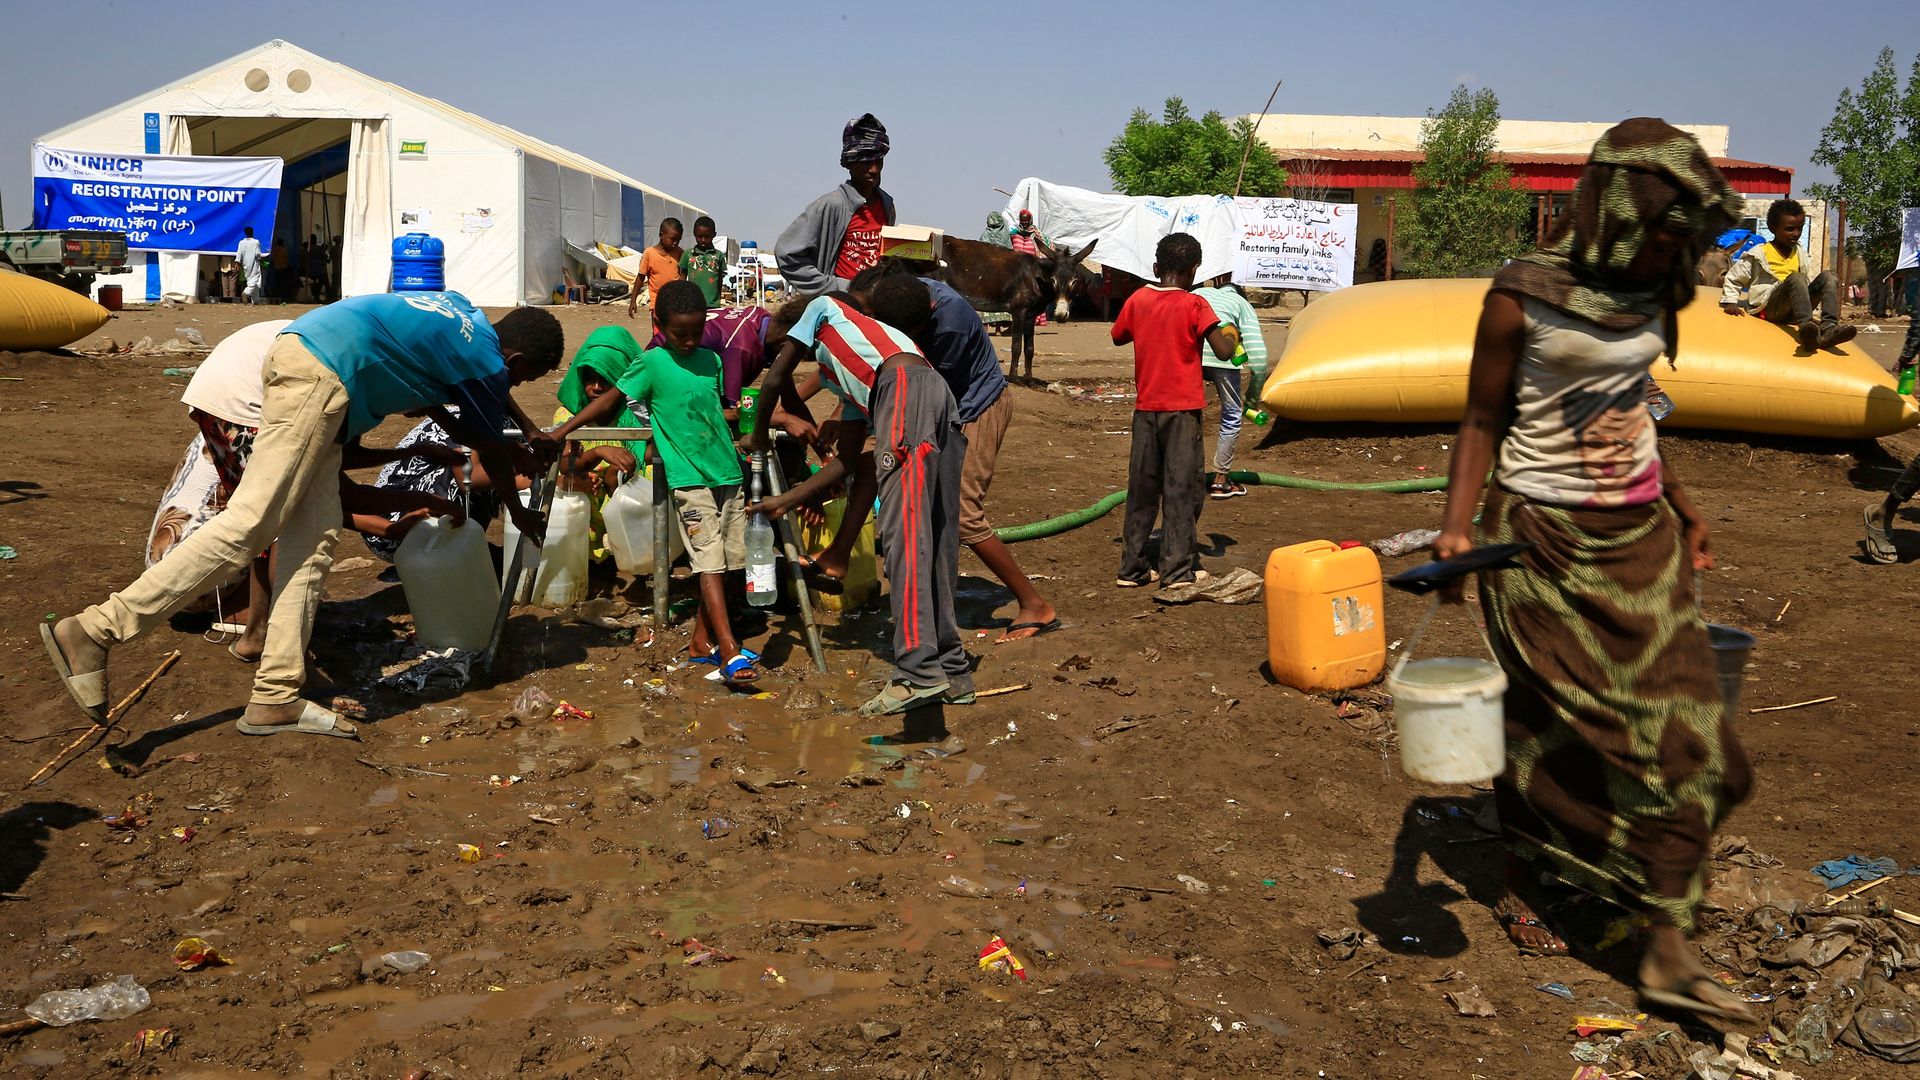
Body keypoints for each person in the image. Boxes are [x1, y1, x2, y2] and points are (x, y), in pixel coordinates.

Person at [1433, 119, 1754, 1024]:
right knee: (1566, 726)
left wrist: (1683, 502)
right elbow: (1480, 421)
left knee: (1707, 752)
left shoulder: (1659, 289)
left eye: (1684, 239)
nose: (1675, 253)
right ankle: (1572, 899)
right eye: (1662, 233)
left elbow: (1634, 404)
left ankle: (1631, 904)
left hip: (1640, 539)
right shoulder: (1522, 296)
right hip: (1539, 540)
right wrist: (1456, 531)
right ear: (1612, 213)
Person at [41, 295, 564, 740]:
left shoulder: (461, 317)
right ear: (515, 364)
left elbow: (472, 406)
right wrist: (518, 507)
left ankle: (276, 696)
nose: (514, 388)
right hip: (319, 375)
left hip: (311, 363)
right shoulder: (484, 359)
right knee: (250, 523)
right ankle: (95, 630)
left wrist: (525, 426)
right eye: (524, 380)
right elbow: (491, 445)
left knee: (311, 541)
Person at [746, 280, 969, 716]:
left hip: (904, 389)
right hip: (936, 396)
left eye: (780, 339)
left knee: (904, 538)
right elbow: (849, 460)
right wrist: (788, 499)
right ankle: (953, 671)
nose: (778, 349)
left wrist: (756, 436)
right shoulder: (852, 372)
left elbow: (775, 378)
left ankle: (917, 673)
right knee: (938, 539)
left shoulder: (824, 308)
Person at [831, 260, 1060, 641]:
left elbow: (924, 386)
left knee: (964, 513)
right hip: (942, 399)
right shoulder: (903, 297)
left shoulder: (947, 321)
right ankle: (926, 597)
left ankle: (1035, 604)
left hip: (976, 407)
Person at [556, 282, 758, 684]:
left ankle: (702, 643)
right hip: (689, 478)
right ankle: (729, 649)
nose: (688, 341)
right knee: (708, 563)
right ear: (659, 324)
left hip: (728, 472)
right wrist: (563, 433)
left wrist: (755, 419)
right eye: (679, 333)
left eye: (696, 332)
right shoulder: (651, 363)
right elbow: (608, 401)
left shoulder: (710, 361)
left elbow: (713, 411)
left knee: (731, 564)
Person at [1111, 233, 1237, 588]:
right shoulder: (1196, 305)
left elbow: (1119, 335)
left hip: (1146, 410)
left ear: (1156, 268)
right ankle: (1176, 570)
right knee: (1182, 489)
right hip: (1182, 412)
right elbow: (1224, 351)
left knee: (1142, 488)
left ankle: (1132, 569)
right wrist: (1230, 332)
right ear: (1194, 270)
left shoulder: (1138, 300)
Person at [775, 113, 895, 296]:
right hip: (841, 306)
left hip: (876, 303)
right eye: (866, 161)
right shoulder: (831, 205)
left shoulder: (887, 205)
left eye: (878, 161)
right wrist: (833, 288)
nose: (874, 169)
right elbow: (786, 253)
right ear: (850, 162)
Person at [1720, 199, 1856, 351]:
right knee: (1795, 278)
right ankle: (1806, 330)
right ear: (1773, 228)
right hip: (1771, 308)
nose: (1796, 234)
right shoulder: (1759, 253)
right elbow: (1734, 278)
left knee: (1829, 276)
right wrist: (1730, 302)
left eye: (1800, 229)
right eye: (1790, 229)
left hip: (1795, 311)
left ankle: (1829, 327)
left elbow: (1806, 285)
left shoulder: (1800, 253)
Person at [1193, 275, 1270, 499]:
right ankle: (1220, 481)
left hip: (1192, 356)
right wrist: (1252, 401)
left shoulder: (1197, 294)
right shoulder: (1241, 304)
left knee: (1188, 412)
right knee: (1231, 415)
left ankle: (1186, 476)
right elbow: (1260, 359)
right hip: (1224, 359)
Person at [628, 218, 685, 324]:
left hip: (677, 304)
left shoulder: (680, 253)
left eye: (678, 240)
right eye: (672, 239)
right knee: (658, 336)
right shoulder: (649, 253)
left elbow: (683, 275)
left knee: (675, 336)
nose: (675, 243)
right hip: (658, 304)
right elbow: (640, 277)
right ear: (661, 235)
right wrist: (633, 300)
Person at [680, 216, 727, 308]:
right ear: (694, 234)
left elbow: (720, 280)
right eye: (699, 236)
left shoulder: (719, 256)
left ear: (714, 235)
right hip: (693, 304)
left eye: (707, 236)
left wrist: (717, 300)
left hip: (713, 304)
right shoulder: (688, 254)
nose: (703, 240)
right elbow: (682, 279)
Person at [236, 227, 263, 304]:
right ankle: (246, 293)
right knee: (255, 280)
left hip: (245, 265)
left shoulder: (241, 243)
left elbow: (239, 253)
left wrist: (237, 263)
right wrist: (261, 260)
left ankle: (255, 300)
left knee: (252, 281)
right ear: (252, 232)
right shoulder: (256, 242)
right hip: (254, 264)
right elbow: (258, 254)